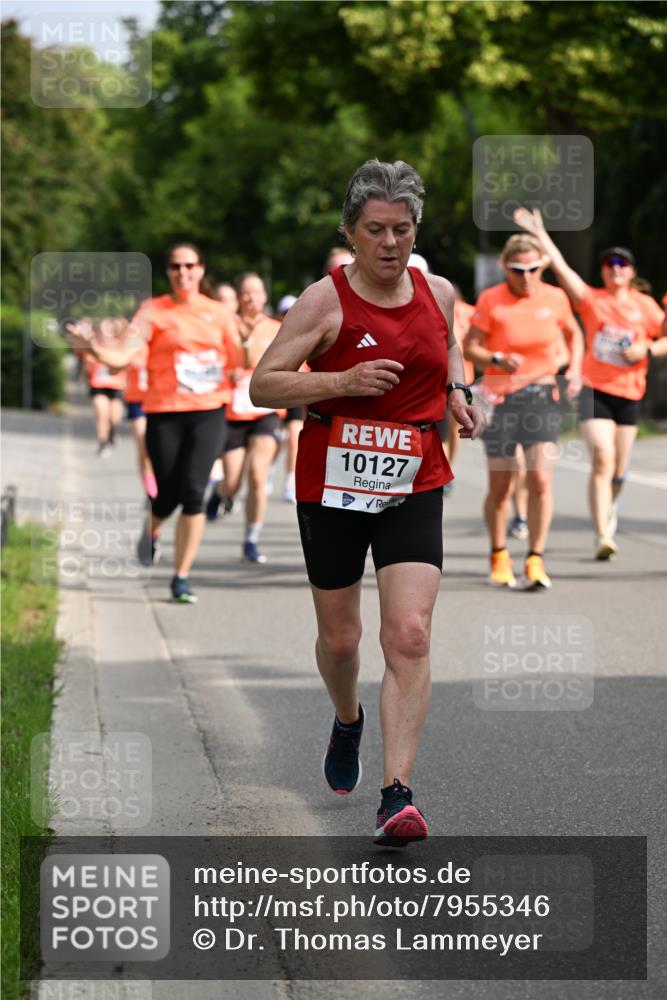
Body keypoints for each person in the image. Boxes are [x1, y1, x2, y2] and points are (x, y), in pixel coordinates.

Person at [250, 159, 485, 845]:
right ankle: (347, 717)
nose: (390, 243)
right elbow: (263, 385)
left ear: (416, 231)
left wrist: (456, 393)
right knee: (342, 639)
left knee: (408, 634)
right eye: (376, 229)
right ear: (349, 231)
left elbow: (449, 349)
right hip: (333, 481)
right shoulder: (322, 303)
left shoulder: (438, 292)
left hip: (414, 475)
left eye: (402, 230)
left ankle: (396, 795)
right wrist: (341, 381)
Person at [69, 243, 237, 603]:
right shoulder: (152, 311)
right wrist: (94, 349)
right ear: (168, 272)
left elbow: (240, 358)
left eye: (189, 266)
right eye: (176, 266)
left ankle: (181, 576)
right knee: (168, 495)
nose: (183, 273)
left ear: (201, 270)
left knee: (194, 492)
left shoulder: (219, 313)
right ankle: (151, 529)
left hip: (209, 411)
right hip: (164, 412)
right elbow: (124, 356)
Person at [514, 209, 667, 559]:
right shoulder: (591, 300)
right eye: (609, 263)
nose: (615, 268)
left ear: (632, 272)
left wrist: (645, 349)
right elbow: (561, 268)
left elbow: (664, 339)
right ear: (602, 271)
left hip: (630, 393)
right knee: (602, 457)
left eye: (622, 263)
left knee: (618, 471)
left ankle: (610, 507)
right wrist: (539, 232)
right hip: (594, 390)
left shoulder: (645, 307)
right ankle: (602, 535)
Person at [464, 233, 584, 590]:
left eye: (533, 269)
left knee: (540, 480)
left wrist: (575, 369)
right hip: (501, 399)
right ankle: (499, 554)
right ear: (505, 267)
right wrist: (497, 358)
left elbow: (575, 334)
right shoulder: (492, 299)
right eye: (518, 269)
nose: (526, 276)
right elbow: (470, 348)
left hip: (541, 395)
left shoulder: (555, 297)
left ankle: (535, 558)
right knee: (502, 485)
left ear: (542, 267)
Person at [206, 273, 283, 563]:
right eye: (246, 293)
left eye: (257, 292)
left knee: (258, 476)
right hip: (234, 412)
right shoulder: (226, 327)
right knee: (233, 481)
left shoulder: (277, 329)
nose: (251, 298)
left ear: (265, 296)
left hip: (265, 412)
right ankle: (221, 492)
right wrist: (228, 374)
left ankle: (251, 539)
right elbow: (210, 362)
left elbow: (294, 366)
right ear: (239, 297)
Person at [81, 317, 127, 458]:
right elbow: (86, 369)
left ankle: (112, 432)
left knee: (113, 417)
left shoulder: (121, 347)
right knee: (102, 413)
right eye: (103, 329)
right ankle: (102, 443)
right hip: (98, 385)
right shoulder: (94, 346)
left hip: (116, 386)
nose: (106, 332)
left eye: (108, 329)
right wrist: (89, 363)